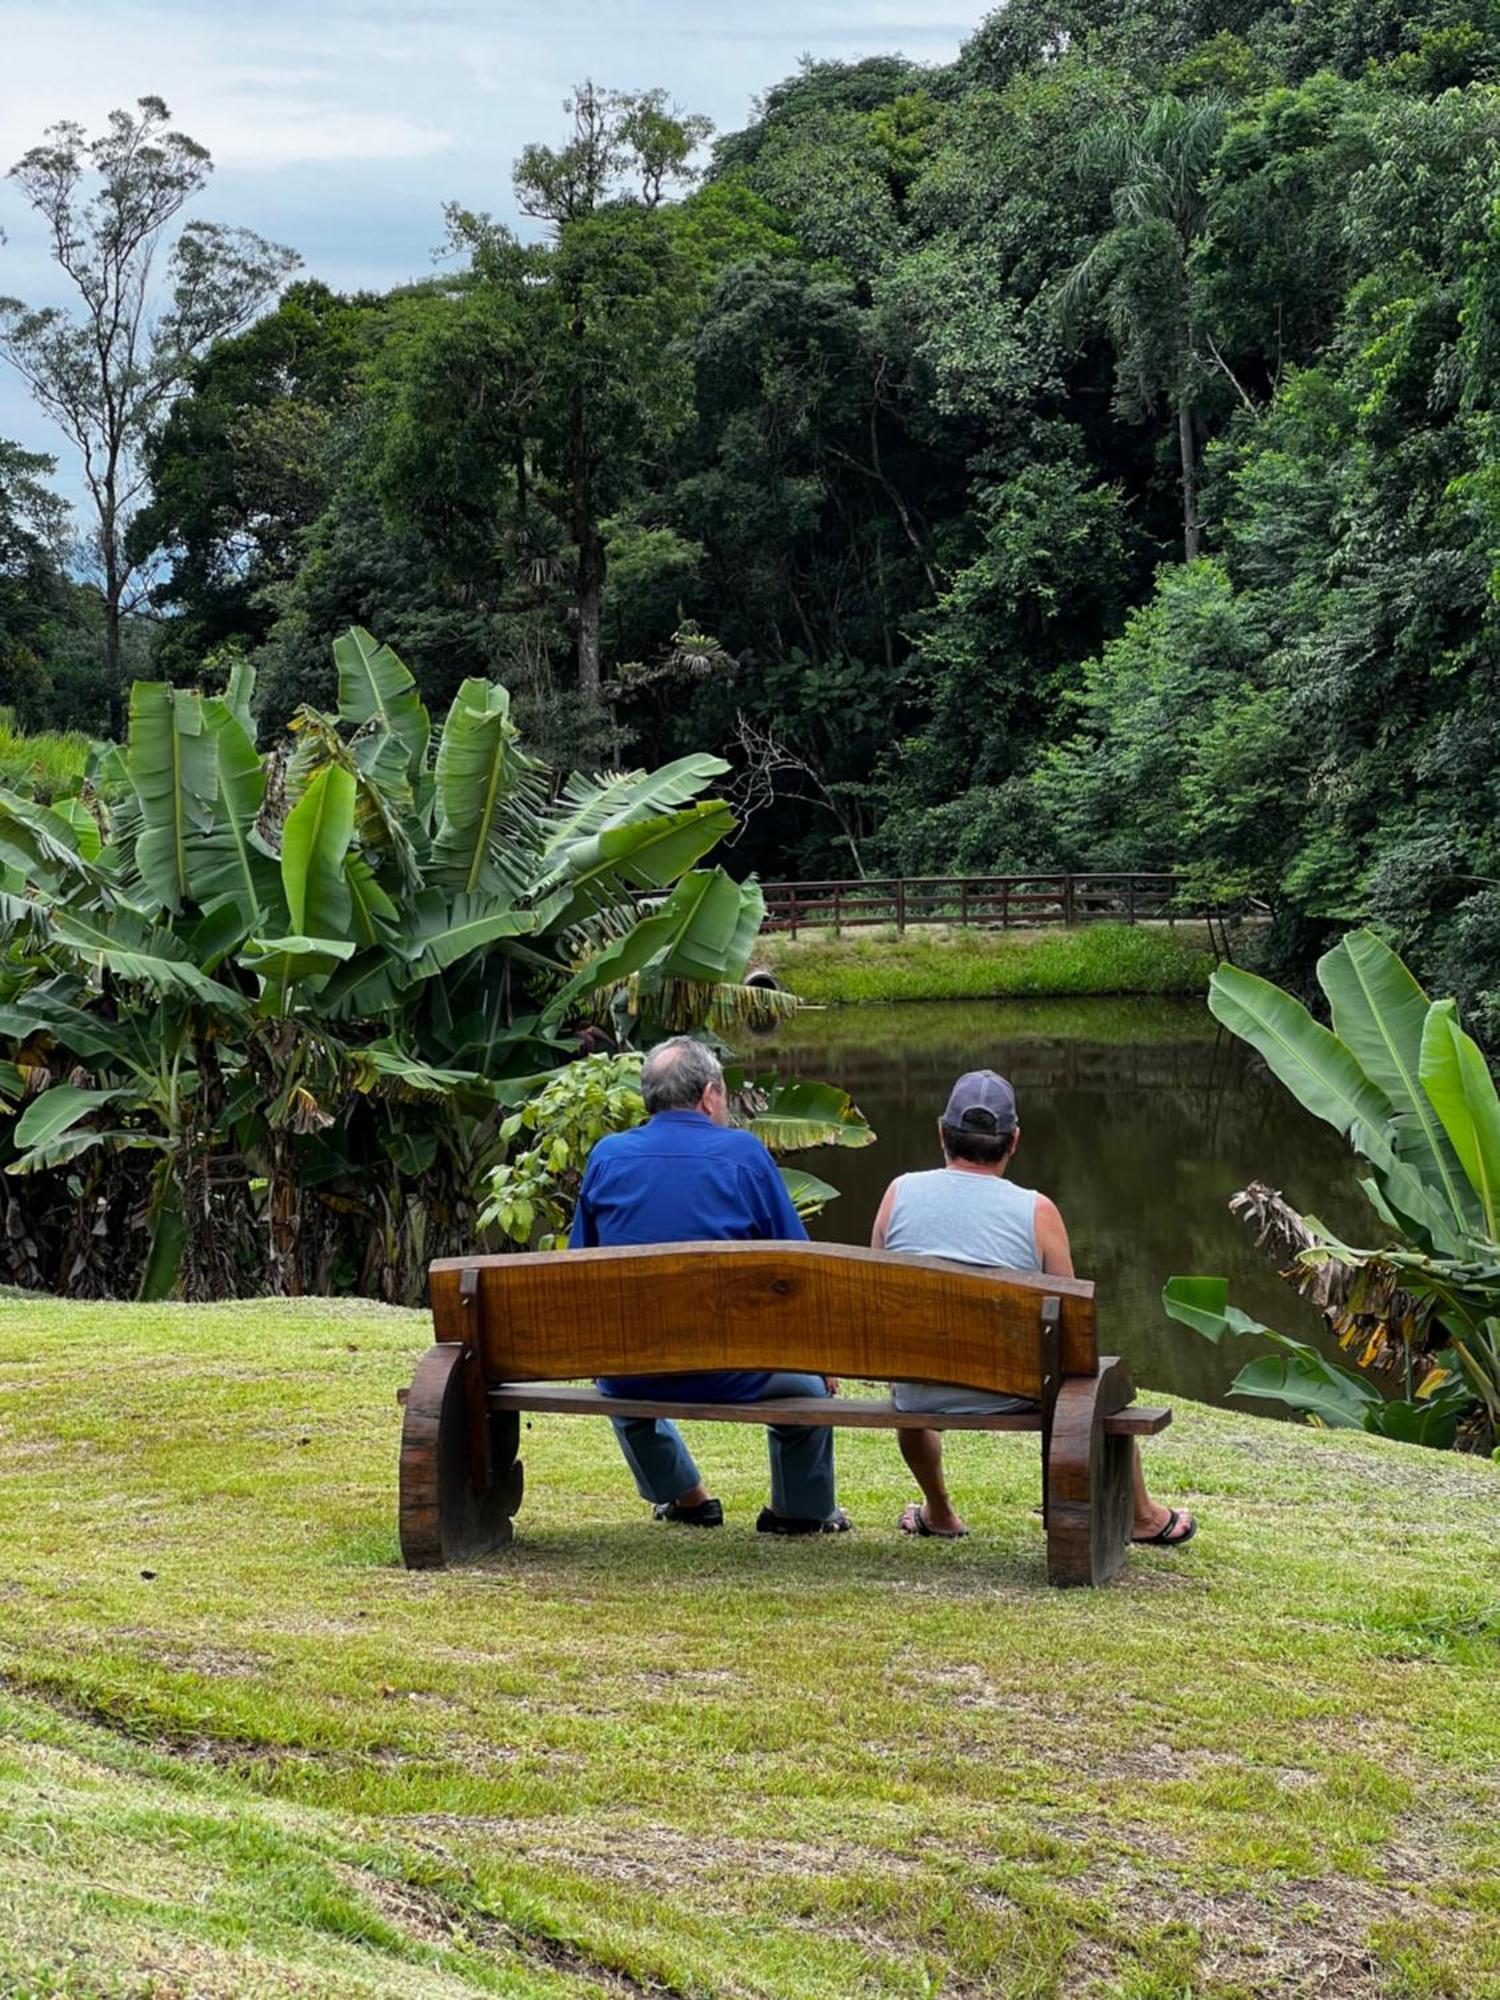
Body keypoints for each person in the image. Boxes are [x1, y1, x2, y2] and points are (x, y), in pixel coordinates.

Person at [870, 1069, 1196, 1548]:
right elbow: (1075, 1328)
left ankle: (938, 1511)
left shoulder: (898, 1193)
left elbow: (879, 1297)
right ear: (1014, 1141)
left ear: (942, 1133)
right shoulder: (1037, 1211)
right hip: (1011, 1390)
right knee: (1098, 1383)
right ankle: (1142, 1516)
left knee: (916, 1366)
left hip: (917, 1390)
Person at [569, 1035, 852, 1536]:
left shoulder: (608, 1157)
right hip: (735, 1370)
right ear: (708, 1095)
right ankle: (800, 1510)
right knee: (807, 1391)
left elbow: (580, 1269)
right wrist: (818, 1356)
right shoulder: (743, 1155)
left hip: (636, 1369)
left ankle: (687, 1498)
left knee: (617, 1384)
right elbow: (798, 1267)